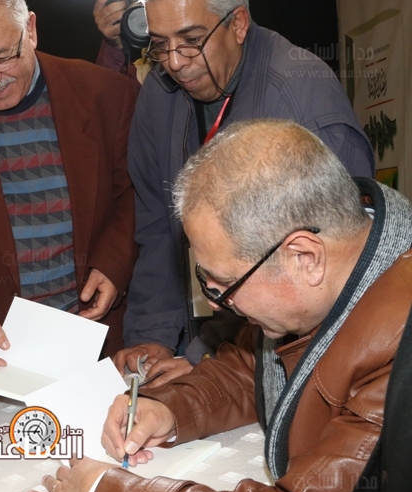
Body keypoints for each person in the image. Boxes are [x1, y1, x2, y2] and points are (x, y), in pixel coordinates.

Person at [26, 119, 412, 492]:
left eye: (227, 283)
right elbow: (257, 368)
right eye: (205, 279)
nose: (215, 301)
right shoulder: (345, 268)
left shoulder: (399, 355)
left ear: (305, 257)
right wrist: (171, 408)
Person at [117, 0, 375, 388]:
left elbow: (338, 278)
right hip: (205, 332)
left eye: (191, 40)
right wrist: (153, 334)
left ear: (238, 23)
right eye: (159, 44)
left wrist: (211, 358)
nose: (175, 62)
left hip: (285, 350)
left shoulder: (306, 104)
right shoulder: (159, 93)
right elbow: (157, 229)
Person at [0, 0, 138, 373]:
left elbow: (133, 195)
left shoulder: (107, 94)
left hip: (99, 340)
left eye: (3, 58)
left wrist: (114, 264)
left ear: (30, 29)